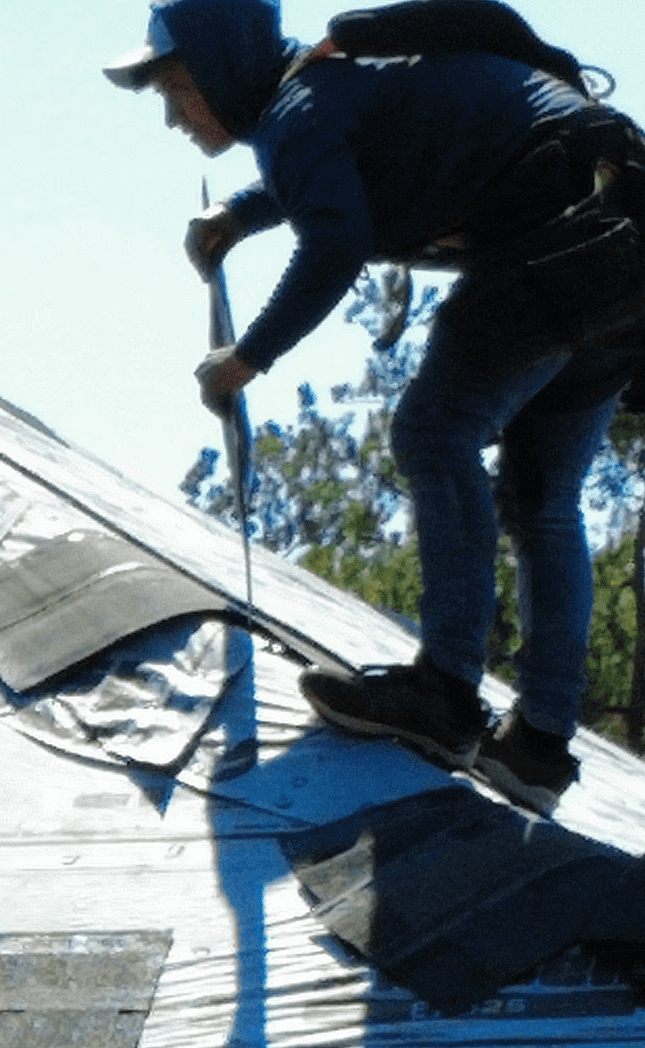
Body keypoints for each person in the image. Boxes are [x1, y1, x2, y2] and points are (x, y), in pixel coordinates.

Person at [108, 0, 645, 813]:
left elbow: (334, 242)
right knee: (540, 501)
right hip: (623, 244)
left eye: (177, 89)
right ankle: (536, 750)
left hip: (557, 246)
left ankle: (444, 693)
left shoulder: (299, 108)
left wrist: (245, 358)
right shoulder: (325, 96)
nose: (172, 118)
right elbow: (358, 166)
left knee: (433, 432)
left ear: (221, 69)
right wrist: (242, 213)